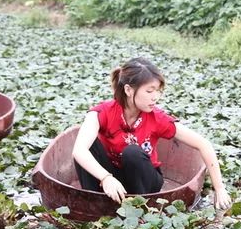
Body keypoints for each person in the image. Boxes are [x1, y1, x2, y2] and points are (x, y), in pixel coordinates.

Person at [73, 57, 232, 209]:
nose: (155, 97)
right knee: (89, 144)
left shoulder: (157, 118)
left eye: (158, 91)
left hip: (145, 180)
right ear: (128, 90)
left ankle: (141, 207)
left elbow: (203, 144)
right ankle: (94, 203)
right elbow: (79, 150)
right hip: (112, 178)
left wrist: (219, 189)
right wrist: (106, 178)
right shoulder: (103, 112)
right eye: (150, 91)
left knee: (132, 152)